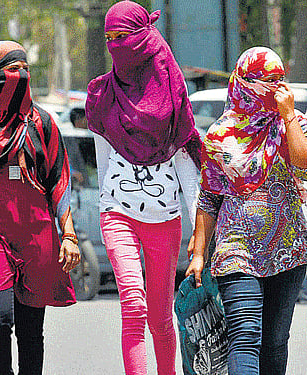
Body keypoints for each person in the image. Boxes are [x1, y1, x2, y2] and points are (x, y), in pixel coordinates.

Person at [186, 47, 307, 375]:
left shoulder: (294, 124)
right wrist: (199, 252)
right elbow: (209, 196)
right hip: (236, 250)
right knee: (244, 337)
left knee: (275, 340)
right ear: (244, 83)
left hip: (287, 252)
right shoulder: (220, 134)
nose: (277, 88)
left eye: (281, 80)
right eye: (267, 81)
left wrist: (288, 116)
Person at [85, 2, 202, 374]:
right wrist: (111, 201)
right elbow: (104, 164)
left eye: (124, 37)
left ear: (144, 38)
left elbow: (188, 173)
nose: (117, 45)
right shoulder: (101, 95)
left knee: (160, 317)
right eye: (110, 39)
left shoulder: (173, 94)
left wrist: (202, 234)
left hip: (165, 220)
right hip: (117, 213)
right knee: (133, 305)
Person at [0, 40, 80, 375]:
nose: (20, 76)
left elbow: (59, 183)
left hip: (38, 236)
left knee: (30, 331)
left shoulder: (45, 125)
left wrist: (69, 235)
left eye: (25, 69)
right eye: (12, 69)